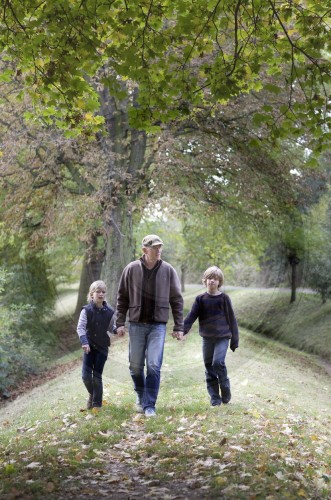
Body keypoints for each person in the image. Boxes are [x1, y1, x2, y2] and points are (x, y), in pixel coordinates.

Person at [115, 234, 184, 417]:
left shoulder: (168, 270)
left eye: (160, 247)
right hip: (136, 325)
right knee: (135, 367)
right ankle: (140, 394)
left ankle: (149, 405)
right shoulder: (131, 269)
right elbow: (122, 297)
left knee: (153, 365)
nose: (158, 250)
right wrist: (119, 322)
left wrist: (179, 326)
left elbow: (176, 299)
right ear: (145, 250)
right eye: (154, 247)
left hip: (157, 326)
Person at [179, 266, 239, 407]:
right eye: (209, 278)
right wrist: (182, 330)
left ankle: (225, 390)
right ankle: (215, 398)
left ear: (219, 282)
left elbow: (232, 319)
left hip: (222, 337)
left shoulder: (224, 298)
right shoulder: (200, 299)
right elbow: (191, 317)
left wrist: (234, 340)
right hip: (207, 338)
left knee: (217, 363)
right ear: (204, 280)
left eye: (215, 279)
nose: (212, 281)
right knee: (209, 367)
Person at [77, 280, 115, 409]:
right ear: (92, 294)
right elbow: (80, 327)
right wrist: (84, 342)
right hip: (89, 348)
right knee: (86, 376)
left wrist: (117, 330)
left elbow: (111, 327)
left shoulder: (109, 311)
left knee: (97, 377)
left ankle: (97, 405)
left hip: (102, 348)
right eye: (98, 291)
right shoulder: (86, 310)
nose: (101, 294)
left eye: (103, 292)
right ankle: (92, 394)